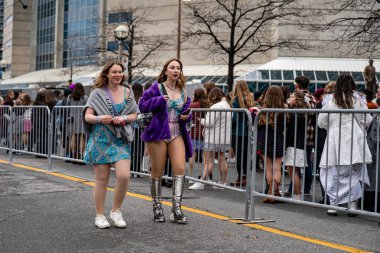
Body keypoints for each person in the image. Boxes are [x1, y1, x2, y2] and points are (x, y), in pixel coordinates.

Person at [82, 61, 138, 229]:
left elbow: (135, 114)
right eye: (114, 72)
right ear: (106, 74)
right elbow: (88, 116)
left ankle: (116, 210)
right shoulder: (97, 93)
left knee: (124, 176)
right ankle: (99, 215)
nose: (118, 75)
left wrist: (125, 118)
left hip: (120, 139)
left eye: (120, 72)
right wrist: (100, 118)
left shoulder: (128, 92)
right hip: (101, 139)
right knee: (102, 180)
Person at [139, 58, 192, 224]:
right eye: (172, 67)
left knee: (180, 168)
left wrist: (187, 115)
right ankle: (157, 207)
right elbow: (142, 105)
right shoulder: (157, 87)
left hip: (176, 133)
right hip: (158, 134)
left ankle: (176, 209)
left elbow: (185, 110)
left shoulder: (183, 90)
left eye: (178, 68)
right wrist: (160, 100)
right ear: (166, 71)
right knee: (157, 171)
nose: (176, 70)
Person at [318, 73, 371, 215]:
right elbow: (367, 119)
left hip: (335, 137)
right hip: (353, 137)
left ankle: (333, 205)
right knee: (352, 172)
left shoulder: (330, 99)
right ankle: (352, 205)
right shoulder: (359, 98)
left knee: (333, 171)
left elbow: (321, 121)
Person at [189, 87, 231, 190]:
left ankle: (201, 181)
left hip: (213, 137)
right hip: (223, 137)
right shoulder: (227, 105)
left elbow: (209, 123)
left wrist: (201, 120)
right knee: (222, 159)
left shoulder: (215, 106)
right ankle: (223, 182)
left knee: (208, 161)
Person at [258, 85, 289, 203]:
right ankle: (274, 192)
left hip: (265, 140)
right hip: (279, 140)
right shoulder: (284, 109)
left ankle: (271, 192)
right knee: (277, 168)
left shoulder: (263, 110)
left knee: (268, 168)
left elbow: (259, 126)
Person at [284, 90, 310, 200]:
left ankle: (298, 194)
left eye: (292, 96)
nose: (290, 98)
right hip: (298, 143)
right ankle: (297, 193)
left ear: (297, 99)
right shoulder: (301, 112)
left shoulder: (296, 113)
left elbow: (291, 131)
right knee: (293, 170)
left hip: (294, 143)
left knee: (292, 170)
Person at [293, 76, 316, 196]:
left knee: (294, 163)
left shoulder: (297, 97)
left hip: (299, 133)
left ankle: (295, 189)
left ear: (297, 84)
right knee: (307, 162)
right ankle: (306, 189)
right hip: (310, 132)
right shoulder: (312, 97)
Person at [230, 80, 255, 187]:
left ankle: (241, 177)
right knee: (246, 155)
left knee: (239, 156)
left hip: (237, 132)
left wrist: (231, 126)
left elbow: (234, 118)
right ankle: (245, 177)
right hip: (247, 131)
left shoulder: (236, 100)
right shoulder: (250, 99)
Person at [188, 88, 210, 180]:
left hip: (193, 131)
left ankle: (191, 175)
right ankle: (205, 175)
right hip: (205, 132)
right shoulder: (207, 104)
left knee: (192, 155)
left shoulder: (192, 105)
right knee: (205, 156)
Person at [67, 83, 88, 161]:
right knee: (82, 137)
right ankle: (80, 155)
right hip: (82, 119)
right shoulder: (85, 97)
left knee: (73, 136)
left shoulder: (70, 97)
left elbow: (67, 107)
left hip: (72, 119)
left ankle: (74, 155)